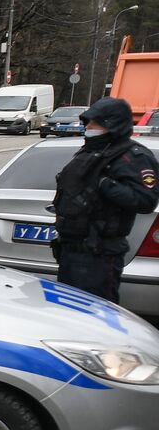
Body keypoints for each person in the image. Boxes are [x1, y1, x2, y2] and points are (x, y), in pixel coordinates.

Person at [50, 96, 159, 303]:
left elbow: (145, 200)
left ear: (112, 125)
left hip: (99, 256)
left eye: (95, 123)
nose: (89, 127)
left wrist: (105, 185)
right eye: (88, 122)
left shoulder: (132, 157)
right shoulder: (91, 152)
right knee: (67, 317)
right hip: (70, 251)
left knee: (96, 318)